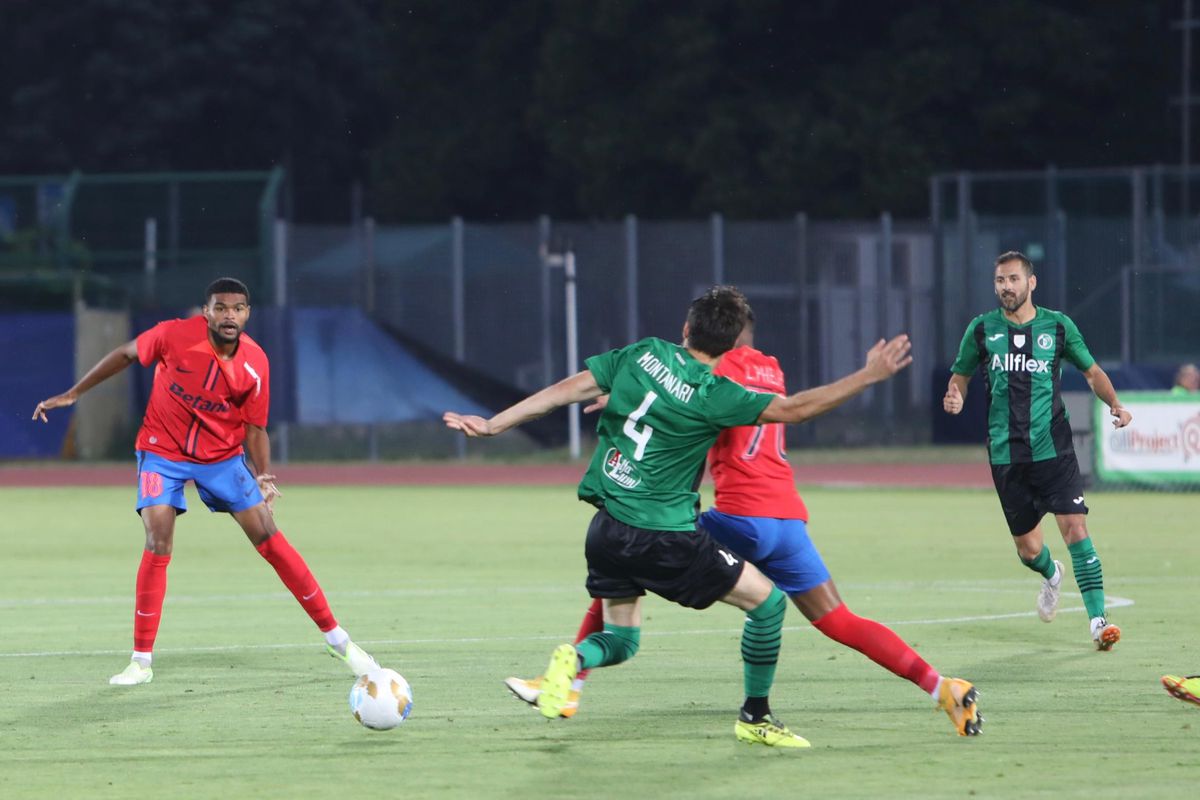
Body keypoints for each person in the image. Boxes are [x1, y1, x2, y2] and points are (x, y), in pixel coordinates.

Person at [444, 286, 949, 748]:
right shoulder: (717, 393)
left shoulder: (641, 354)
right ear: (730, 347)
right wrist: (869, 375)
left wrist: (492, 424)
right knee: (769, 605)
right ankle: (756, 717)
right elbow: (794, 410)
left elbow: (560, 392)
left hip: (605, 530)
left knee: (621, 638)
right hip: (668, 535)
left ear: (684, 329)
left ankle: (574, 664)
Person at [32, 277, 379, 685]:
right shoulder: (174, 335)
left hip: (222, 459)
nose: (228, 315)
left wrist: (264, 475)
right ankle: (140, 661)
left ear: (248, 314)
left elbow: (255, 428)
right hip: (163, 453)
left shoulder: (256, 364)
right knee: (157, 535)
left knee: (270, 539)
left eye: (237, 308)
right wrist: (74, 394)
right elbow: (126, 354)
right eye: (220, 307)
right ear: (206, 311)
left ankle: (339, 641)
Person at [943, 251, 1132, 650]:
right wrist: (955, 395)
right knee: (1029, 550)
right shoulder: (981, 330)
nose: (1006, 287)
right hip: (1006, 454)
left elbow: (1092, 372)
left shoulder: (1058, 326)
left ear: (1031, 283)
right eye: (999, 280)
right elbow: (959, 376)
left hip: (1054, 449)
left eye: (1013, 279)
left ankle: (1099, 623)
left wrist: (1114, 404)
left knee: (1075, 527)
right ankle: (1050, 574)